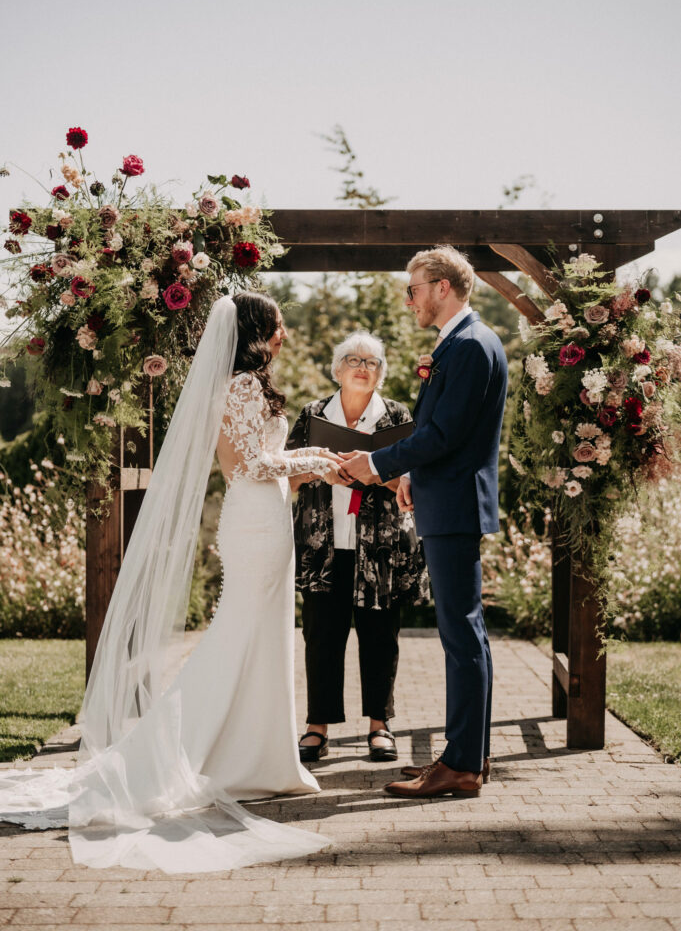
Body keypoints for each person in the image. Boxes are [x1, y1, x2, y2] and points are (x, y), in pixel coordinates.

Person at [0, 292, 345, 872]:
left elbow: (269, 454)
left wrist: (314, 455)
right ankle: (181, 757)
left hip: (269, 515)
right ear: (259, 332)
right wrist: (304, 464)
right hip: (255, 519)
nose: (285, 333)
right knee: (237, 634)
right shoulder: (239, 387)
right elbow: (246, 466)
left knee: (262, 636)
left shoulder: (251, 387)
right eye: (279, 326)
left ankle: (260, 758)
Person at [339, 246, 508, 799]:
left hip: (456, 505)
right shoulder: (462, 344)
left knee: (461, 636)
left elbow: (445, 434)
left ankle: (460, 765)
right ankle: (468, 756)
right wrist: (413, 475)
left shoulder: (469, 346)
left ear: (441, 287)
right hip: (448, 497)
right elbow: (443, 435)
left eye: (412, 289)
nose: (407, 299)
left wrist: (380, 464)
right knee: (466, 635)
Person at [287, 332, 429, 764]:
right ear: (337, 369)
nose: (363, 367)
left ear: (382, 372)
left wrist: (374, 473)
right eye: (353, 359)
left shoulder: (396, 417)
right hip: (323, 547)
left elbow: (414, 478)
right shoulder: (313, 415)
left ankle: (379, 727)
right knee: (321, 636)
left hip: (380, 548)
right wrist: (321, 471)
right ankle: (317, 726)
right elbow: (285, 475)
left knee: (380, 637)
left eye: (372, 361)